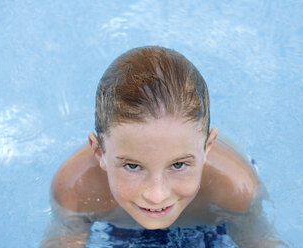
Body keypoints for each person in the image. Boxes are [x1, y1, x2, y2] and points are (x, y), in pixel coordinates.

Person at [41, 46, 285, 247]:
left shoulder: (234, 190)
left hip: (209, 226)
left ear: (207, 147)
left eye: (178, 164)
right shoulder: (76, 188)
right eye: (132, 166)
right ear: (99, 152)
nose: (156, 195)